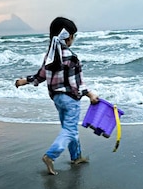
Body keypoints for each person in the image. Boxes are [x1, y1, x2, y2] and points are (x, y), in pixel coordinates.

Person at [15, 16, 99, 175]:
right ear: (69, 37)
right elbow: (78, 83)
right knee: (70, 130)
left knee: (68, 128)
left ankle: (76, 157)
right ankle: (50, 155)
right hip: (71, 99)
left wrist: (24, 81)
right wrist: (90, 94)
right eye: (74, 35)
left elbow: (40, 76)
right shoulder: (71, 57)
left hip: (56, 98)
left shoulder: (50, 55)